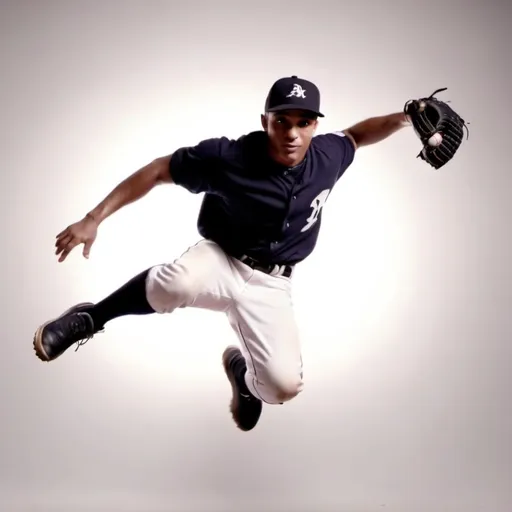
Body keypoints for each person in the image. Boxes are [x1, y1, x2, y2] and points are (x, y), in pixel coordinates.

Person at [33, 75, 411, 432]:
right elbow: (157, 170)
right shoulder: (229, 157)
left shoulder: (328, 156)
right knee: (177, 283)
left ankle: (244, 379)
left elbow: (357, 135)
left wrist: (408, 116)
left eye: (304, 121)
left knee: (283, 388)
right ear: (265, 121)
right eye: (282, 121)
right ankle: (91, 318)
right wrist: (92, 218)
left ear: (314, 124)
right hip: (220, 259)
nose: (292, 133)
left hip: (272, 284)